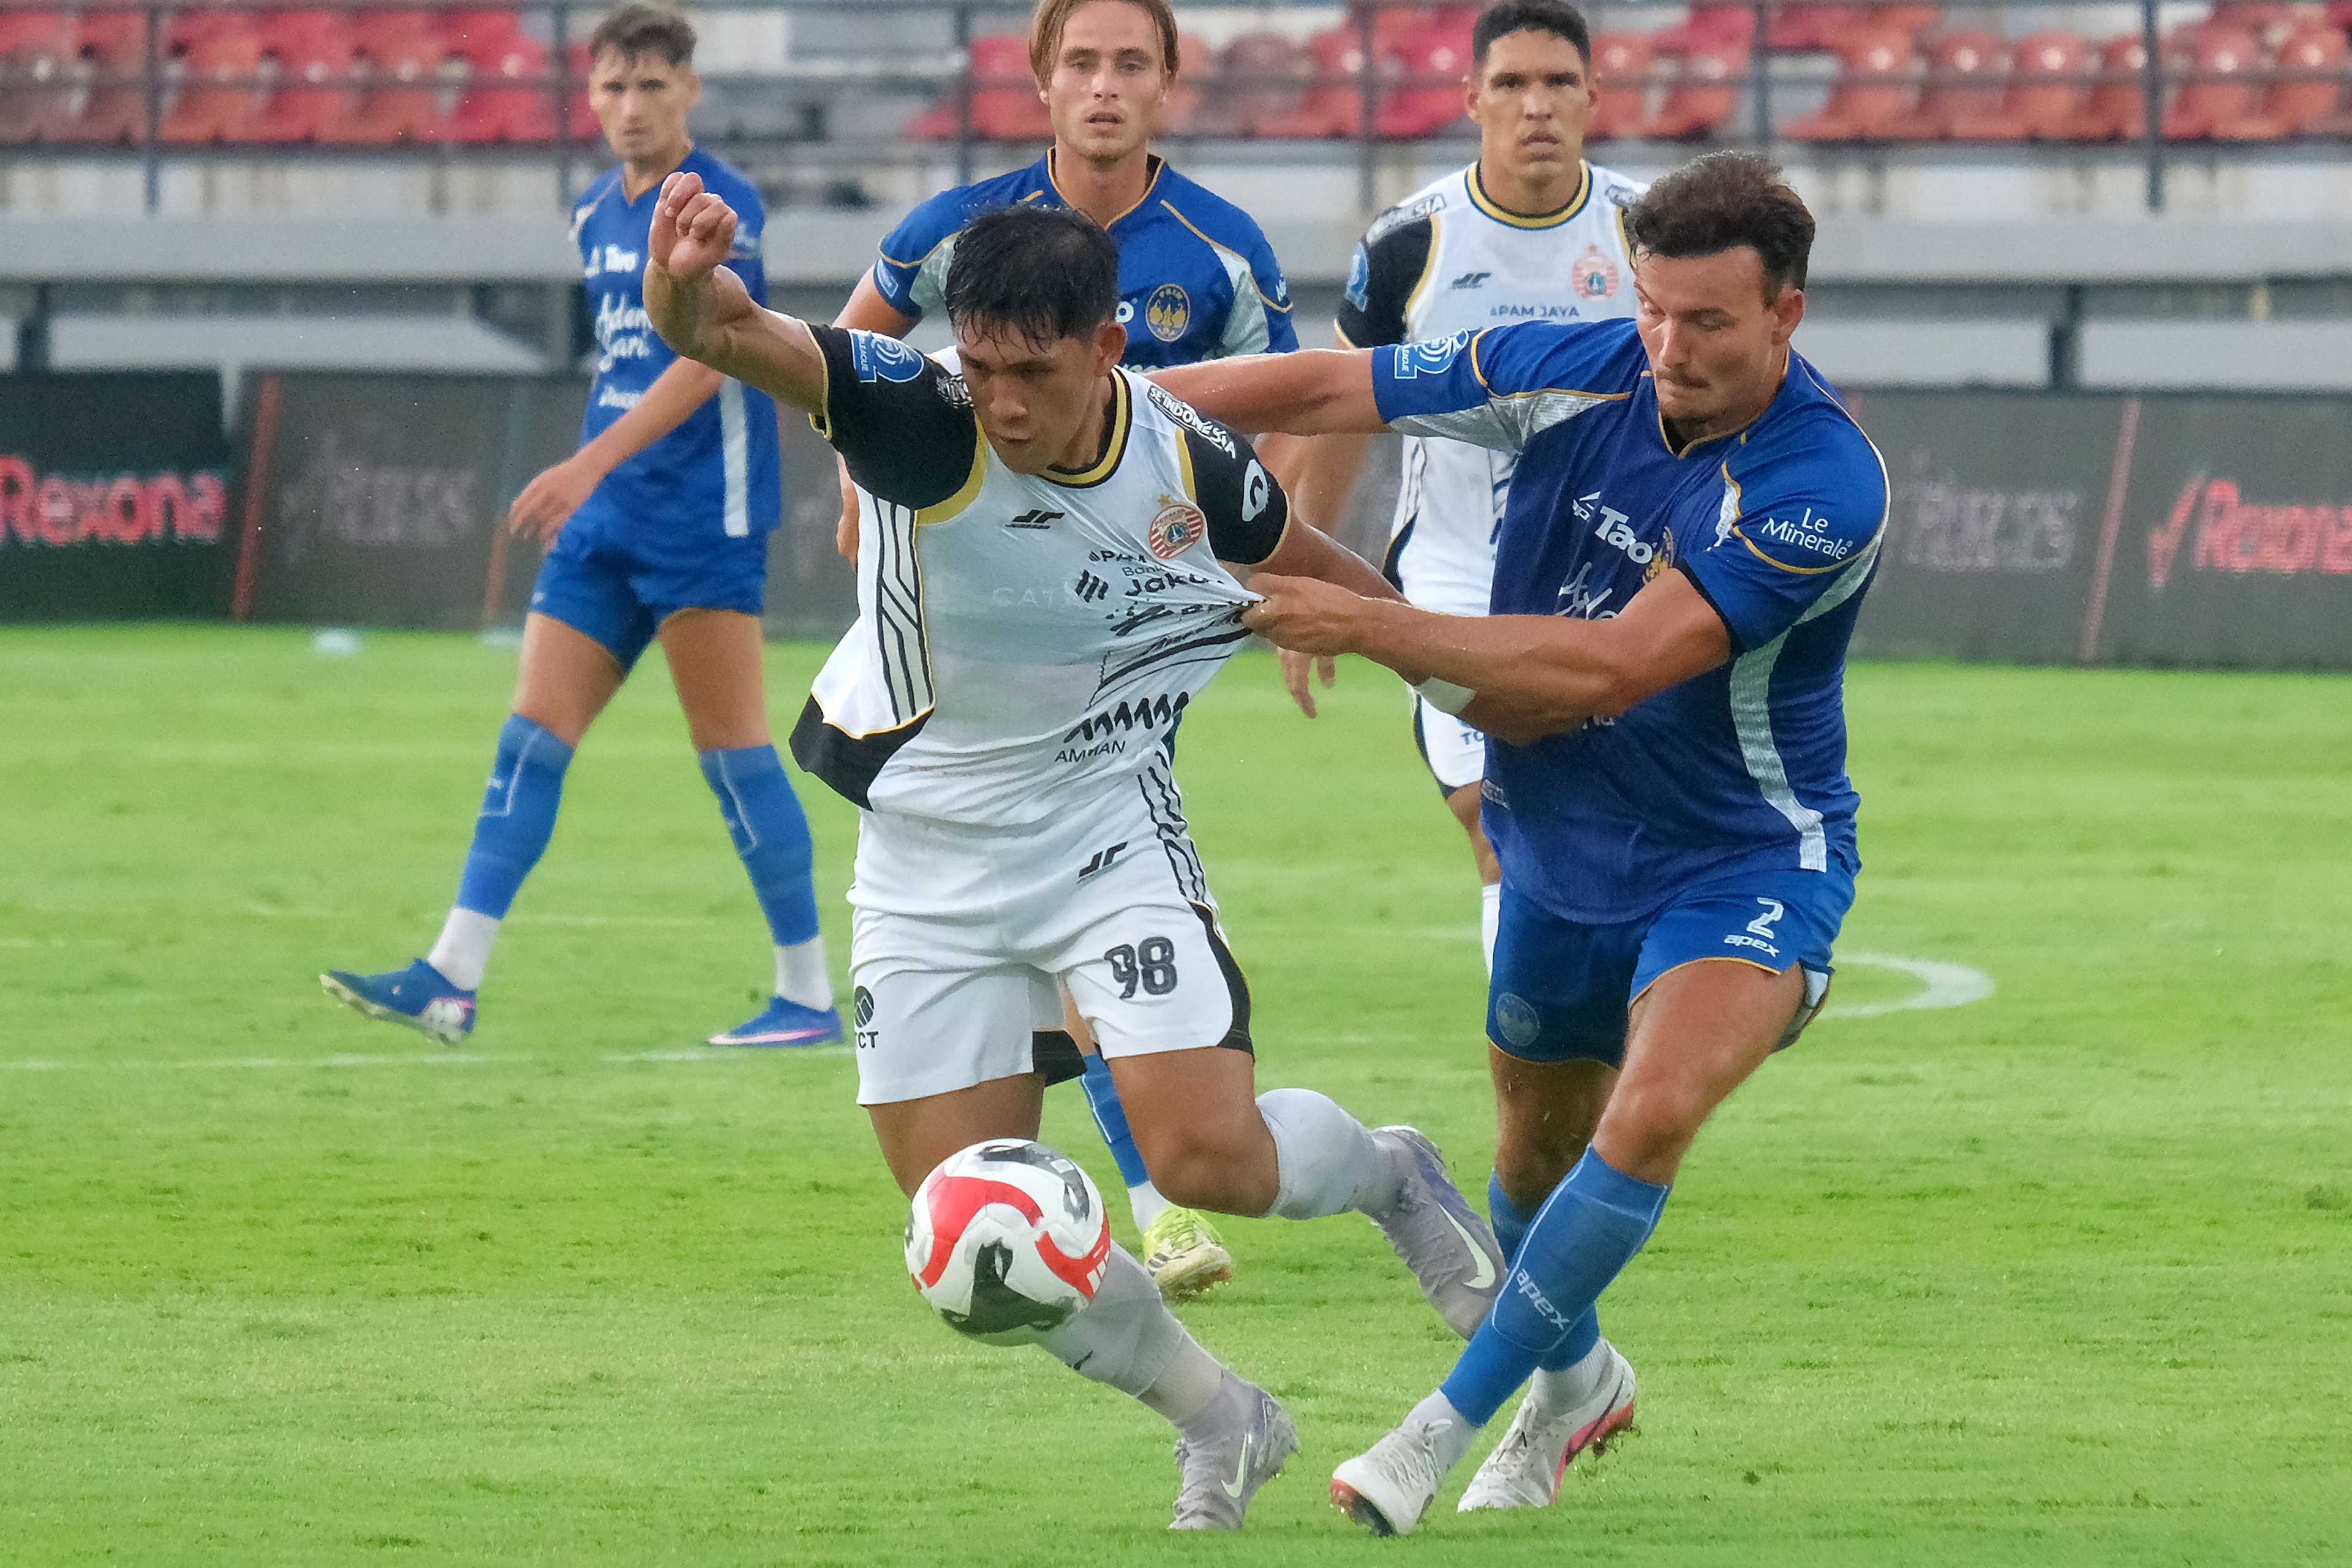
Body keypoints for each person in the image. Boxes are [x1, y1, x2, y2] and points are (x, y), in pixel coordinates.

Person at [643, 185, 1506, 1530]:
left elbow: (1347, 591)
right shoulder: (913, 413)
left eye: (1031, 372)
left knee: (1209, 1159)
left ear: (1109, 347)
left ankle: (1392, 1170)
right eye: (980, 367)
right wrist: (683, 288)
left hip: (1106, 836)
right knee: (968, 1233)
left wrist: (1493, 693)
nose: (999, 402)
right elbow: (729, 334)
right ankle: (1223, 1417)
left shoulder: (1193, 465)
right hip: (922, 868)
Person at [1152, 152, 1885, 1533]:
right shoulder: (1584, 360)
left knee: (1650, 1111)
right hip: (1554, 830)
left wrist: (1365, 624)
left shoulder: (1822, 482)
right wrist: (1118, 403)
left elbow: (1616, 666)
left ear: (1787, 314)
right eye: (1658, 311)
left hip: (1743, 856)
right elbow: (1327, 386)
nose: (1669, 348)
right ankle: (1580, 1378)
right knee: (1532, 1163)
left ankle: (1433, 1432)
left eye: (1710, 323)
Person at [832, 0, 1302, 1301]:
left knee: (1074, 872)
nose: (1103, 86)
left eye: (1128, 64)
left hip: (1131, 618)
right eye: (1080, 62)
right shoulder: (959, 232)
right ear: (1040, 79)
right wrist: (863, 490)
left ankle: (1151, 1196)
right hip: (983, 600)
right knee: (1048, 912)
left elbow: (1295, 404)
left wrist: (1268, 575)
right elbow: (854, 358)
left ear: (1166, 84)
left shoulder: (1221, 249)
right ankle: (1140, 1195)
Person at [319, 4, 839, 1050]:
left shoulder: (722, 201)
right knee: (529, 741)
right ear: (588, 96)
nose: (631, 106)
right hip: (608, 521)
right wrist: (596, 470)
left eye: (652, 85)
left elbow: (715, 350)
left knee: (735, 756)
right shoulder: (594, 210)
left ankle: (811, 996)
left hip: (702, 515)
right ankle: (449, 977)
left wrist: (591, 457)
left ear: (690, 91)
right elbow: (624, 360)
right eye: (612, 87)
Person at [1280, 0, 1643, 981]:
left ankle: (1599, 1079)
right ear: (1471, 98)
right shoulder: (1411, 245)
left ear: (1594, 99)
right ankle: (1537, 1107)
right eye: (1513, 84)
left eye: (1559, 83)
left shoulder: (1648, 232)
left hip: (1619, 579)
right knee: (1495, 825)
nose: (1537, 106)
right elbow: (1345, 406)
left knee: (1615, 842)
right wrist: (1303, 569)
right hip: (1455, 573)